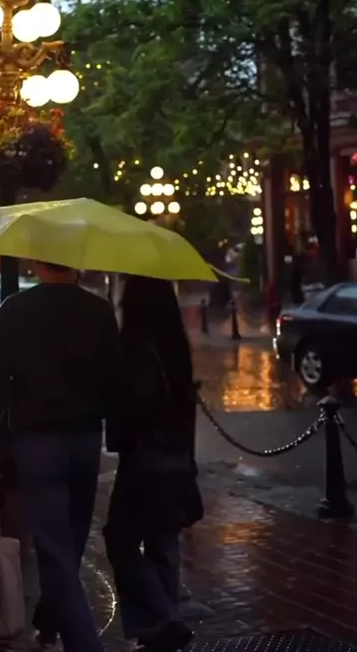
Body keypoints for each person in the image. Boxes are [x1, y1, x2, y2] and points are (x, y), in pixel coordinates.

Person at [0, 261, 122, 652]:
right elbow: (114, 377)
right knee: (71, 541)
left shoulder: (15, 310)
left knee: (55, 548)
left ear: (39, 263)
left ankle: (83, 643)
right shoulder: (98, 310)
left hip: (37, 440)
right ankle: (50, 619)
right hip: (86, 436)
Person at [104, 276, 203, 652]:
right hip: (176, 459)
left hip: (144, 462)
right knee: (163, 542)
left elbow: (135, 408)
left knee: (120, 540)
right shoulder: (175, 346)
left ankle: (163, 619)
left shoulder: (135, 349)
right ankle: (158, 630)